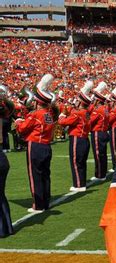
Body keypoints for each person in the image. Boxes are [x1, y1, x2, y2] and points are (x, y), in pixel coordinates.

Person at [15, 74, 57, 213]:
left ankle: (38, 205)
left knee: (35, 175)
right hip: (46, 146)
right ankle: (45, 202)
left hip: (36, 146)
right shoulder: (48, 113)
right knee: (45, 175)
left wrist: (19, 120)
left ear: (38, 101)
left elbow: (22, 129)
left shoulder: (35, 114)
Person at [58, 81, 92, 192]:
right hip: (84, 138)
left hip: (77, 138)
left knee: (76, 162)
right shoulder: (85, 112)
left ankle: (78, 185)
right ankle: (81, 182)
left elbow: (63, 122)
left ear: (81, 102)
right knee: (81, 162)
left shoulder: (78, 113)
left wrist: (62, 115)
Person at [0, 85, 14, 237]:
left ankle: (2, 230)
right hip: (2, 159)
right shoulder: (3, 118)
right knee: (1, 195)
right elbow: (9, 107)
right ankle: (8, 227)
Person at [89, 81, 110, 181]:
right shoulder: (104, 108)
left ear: (97, 101)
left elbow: (90, 121)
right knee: (103, 154)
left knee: (98, 154)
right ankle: (103, 172)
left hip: (98, 132)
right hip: (103, 132)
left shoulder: (98, 110)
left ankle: (100, 175)